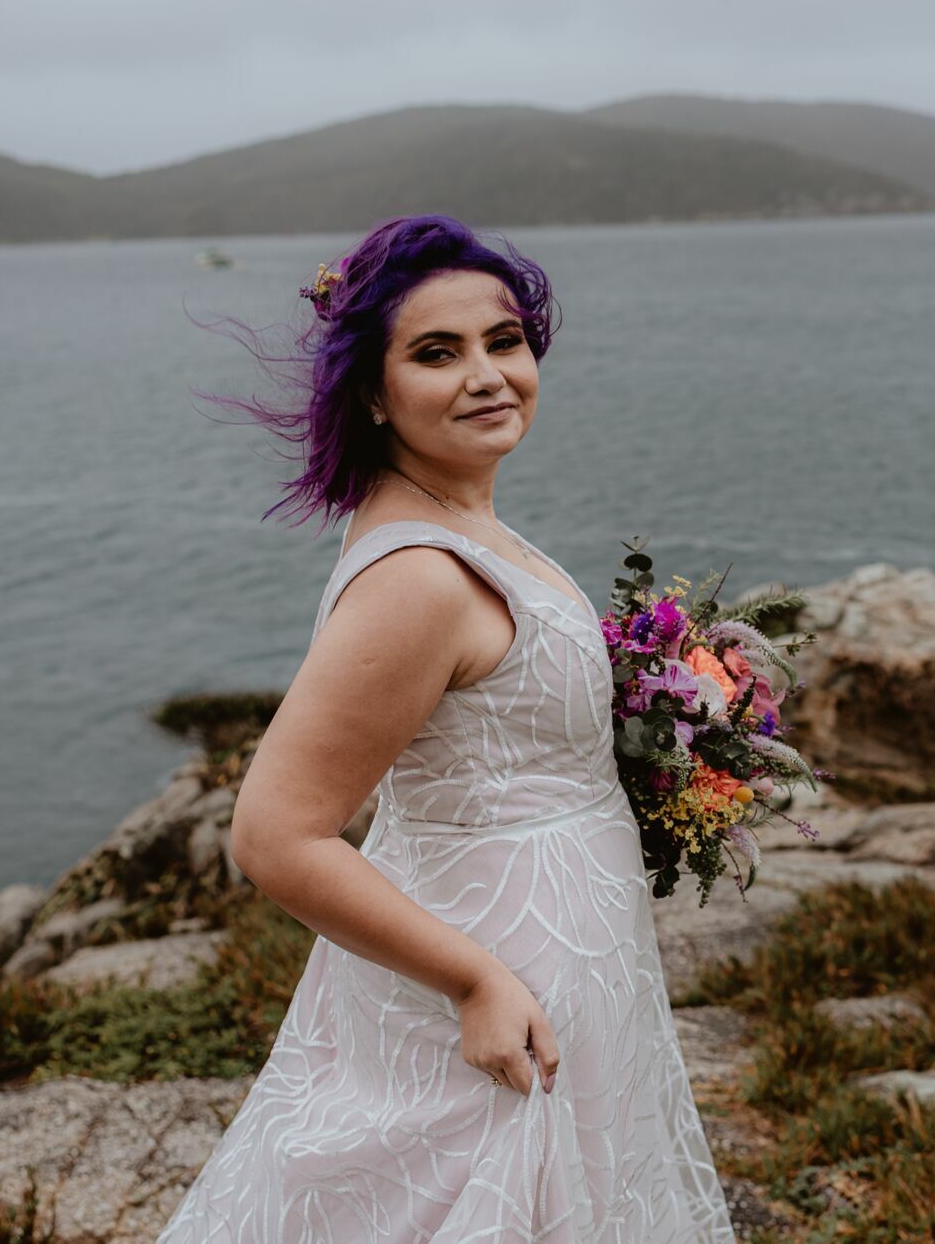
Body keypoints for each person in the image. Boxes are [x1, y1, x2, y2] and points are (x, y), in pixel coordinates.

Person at [157, 215, 734, 1242]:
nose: (486, 374)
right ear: (374, 394)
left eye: (503, 340)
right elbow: (274, 835)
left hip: (553, 953)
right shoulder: (418, 578)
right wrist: (474, 981)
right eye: (436, 352)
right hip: (492, 977)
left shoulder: (461, 515)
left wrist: (671, 728)